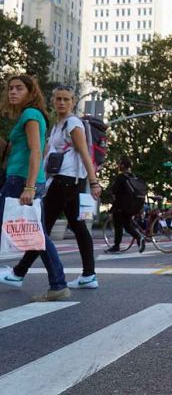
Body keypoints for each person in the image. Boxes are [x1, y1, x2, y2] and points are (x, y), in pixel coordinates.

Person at [8, 85, 102, 289]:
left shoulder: (72, 123)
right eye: (58, 99)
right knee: (77, 228)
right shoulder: (57, 125)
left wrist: (94, 182)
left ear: (73, 101)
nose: (61, 102)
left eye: (66, 99)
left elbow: (85, 154)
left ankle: (18, 272)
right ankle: (89, 275)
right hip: (65, 182)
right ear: (53, 101)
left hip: (66, 181)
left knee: (41, 227)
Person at [0, 75, 70, 301]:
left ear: (31, 93)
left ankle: (58, 284)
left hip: (22, 181)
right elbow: (14, 151)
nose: (12, 92)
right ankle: (58, 285)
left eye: (19, 88)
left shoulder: (31, 114)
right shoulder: (26, 116)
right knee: (37, 235)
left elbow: (36, 151)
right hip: (21, 178)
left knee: (37, 235)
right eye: (10, 88)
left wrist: (29, 187)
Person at [105, 156, 146, 253]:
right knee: (127, 225)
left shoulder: (121, 177)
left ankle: (116, 246)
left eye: (119, 163)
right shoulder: (133, 176)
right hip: (131, 206)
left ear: (122, 165)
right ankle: (139, 237)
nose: (118, 165)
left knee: (118, 226)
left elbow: (114, 190)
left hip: (120, 206)